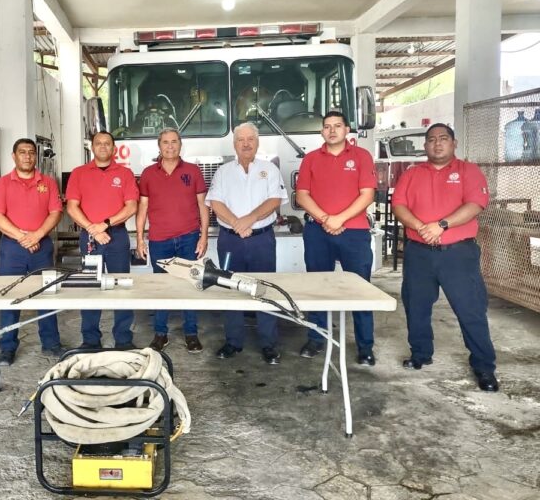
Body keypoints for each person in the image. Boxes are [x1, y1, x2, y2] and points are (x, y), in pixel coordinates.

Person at [392, 123, 499, 392]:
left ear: (454, 143)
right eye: (431, 140)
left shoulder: (468, 171)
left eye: (443, 139)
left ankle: (484, 366)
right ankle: (420, 354)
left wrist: (440, 225)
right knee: (416, 306)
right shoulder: (411, 174)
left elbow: (475, 205)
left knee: (470, 309)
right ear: (425, 146)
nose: (437, 144)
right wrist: (420, 227)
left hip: (458, 254)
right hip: (419, 254)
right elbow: (399, 206)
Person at [295, 111, 377, 365]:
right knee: (318, 287)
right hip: (318, 233)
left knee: (360, 288)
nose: (332, 131)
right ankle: (316, 337)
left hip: (354, 233)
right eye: (327, 127)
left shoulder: (361, 156)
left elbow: (367, 194)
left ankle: (365, 346)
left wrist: (339, 219)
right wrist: (325, 219)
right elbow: (302, 195)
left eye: (337, 126)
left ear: (347, 129)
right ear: (322, 131)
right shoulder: (310, 159)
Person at [205, 122, 287, 365]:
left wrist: (250, 219)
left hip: (262, 239)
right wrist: (235, 222)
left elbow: (275, 200)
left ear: (257, 142)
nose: (246, 144)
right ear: (234, 144)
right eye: (241, 140)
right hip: (230, 240)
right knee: (231, 288)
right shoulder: (223, 172)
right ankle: (233, 342)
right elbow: (215, 203)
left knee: (264, 289)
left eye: (251, 139)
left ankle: (268, 344)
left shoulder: (269, 170)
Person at [0, 138, 63, 364]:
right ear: (14, 156)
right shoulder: (2, 183)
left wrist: (37, 235)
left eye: (31, 152)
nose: (27, 156)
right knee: (12, 295)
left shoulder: (48, 183)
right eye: (22, 152)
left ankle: (51, 343)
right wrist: (23, 237)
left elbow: (55, 212)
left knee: (46, 294)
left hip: (41, 246)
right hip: (12, 247)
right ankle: (7, 347)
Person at [136, 128, 209, 353]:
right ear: (159, 146)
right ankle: (160, 334)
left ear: (180, 145)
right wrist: (140, 239)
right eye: (165, 142)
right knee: (162, 287)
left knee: (190, 284)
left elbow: (202, 205)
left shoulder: (193, 171)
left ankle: (191, 334)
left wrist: (204, 236)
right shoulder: (148, 173)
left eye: (174, 142)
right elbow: (143, 208)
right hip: (160, 240)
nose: (170, 146)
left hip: (189, 237)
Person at [65, 131, 139, 349]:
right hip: (90, 237)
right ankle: (90, 340)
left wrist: (104, 224)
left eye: (107, 144)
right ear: (92, 148)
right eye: (99, 143)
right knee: (90, 286)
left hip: (117, 236)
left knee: (121, 286)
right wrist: (92, 229)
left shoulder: (125, 173)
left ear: (114, 149)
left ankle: (123, 339)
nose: (103, 147)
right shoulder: (79, 173)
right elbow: (71, 207)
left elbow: (131, 207)